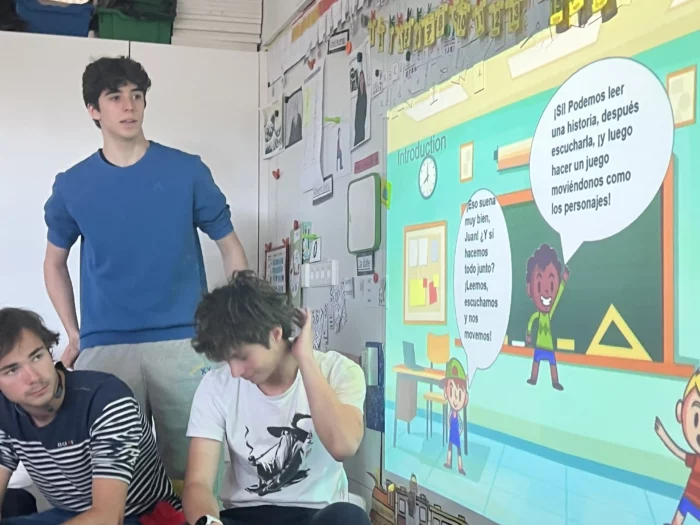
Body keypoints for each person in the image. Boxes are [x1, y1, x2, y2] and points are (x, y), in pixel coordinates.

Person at [42, 56, 248, 485]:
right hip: (106, 347)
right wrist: (75, 334)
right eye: (115, 97)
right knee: (116, 479)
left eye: (136, 96)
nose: (128, 106)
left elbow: (230, 246)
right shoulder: (72, 184)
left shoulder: (186, 171)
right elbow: (53, 262)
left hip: (186, 343)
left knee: (198, 474)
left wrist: (233, 322)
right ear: (94, 110)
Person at [181, 271, 371, 525]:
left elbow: (343, 446)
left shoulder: (339, 371)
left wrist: (305, 359)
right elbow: (198, 482)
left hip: (315, 516)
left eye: (242, 357)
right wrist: (210, 523)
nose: (235, 371)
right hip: (244, 516)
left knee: (350, 518)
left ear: (275, 334)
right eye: (228, 359)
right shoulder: (216, 385)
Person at [0, 308, 181, 524]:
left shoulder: (107, 400)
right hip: (67, 516)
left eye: (37, 356)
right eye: (12, 370)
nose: (33, 377)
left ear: (49, 352)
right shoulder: (5, 411)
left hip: (141, 516)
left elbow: (108, 517)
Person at [656, 369, 700, 525]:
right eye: (696, 418)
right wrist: (663, 435)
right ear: (680, 411)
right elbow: (680, 453)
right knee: (680, 512)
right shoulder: (696, 460)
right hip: (689, 496)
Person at [525, 243, 569, 391]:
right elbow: (531, 321)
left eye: (551, 285)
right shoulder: (538, 315)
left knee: (552, 364)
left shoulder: (549, 313)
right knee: (536, 362)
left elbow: (557, 296)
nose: (545, 292)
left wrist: (563, 281)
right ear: (529, 289)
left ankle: (555, 382)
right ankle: (533, 378)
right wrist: (529, 335)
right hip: (539, 345)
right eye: (539, 286)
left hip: (548, 346)